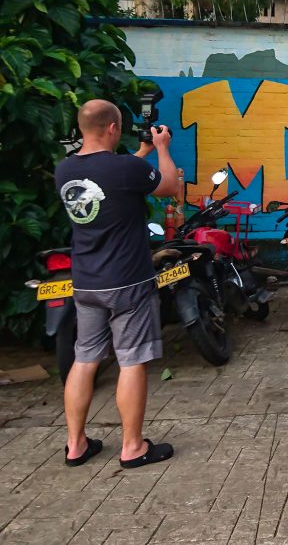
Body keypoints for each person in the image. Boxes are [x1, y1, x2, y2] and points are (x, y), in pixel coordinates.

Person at [55, 99, 179, 468]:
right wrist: (160, 148)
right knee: (131, 361)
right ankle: (132, 446)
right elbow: (168, 185)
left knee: (85, 358)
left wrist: (140, 153)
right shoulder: (125, 169)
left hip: (86, 283)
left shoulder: (65, 171)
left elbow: (108, 179)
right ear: (112, 127)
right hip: (127, 281)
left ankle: (75, 445)